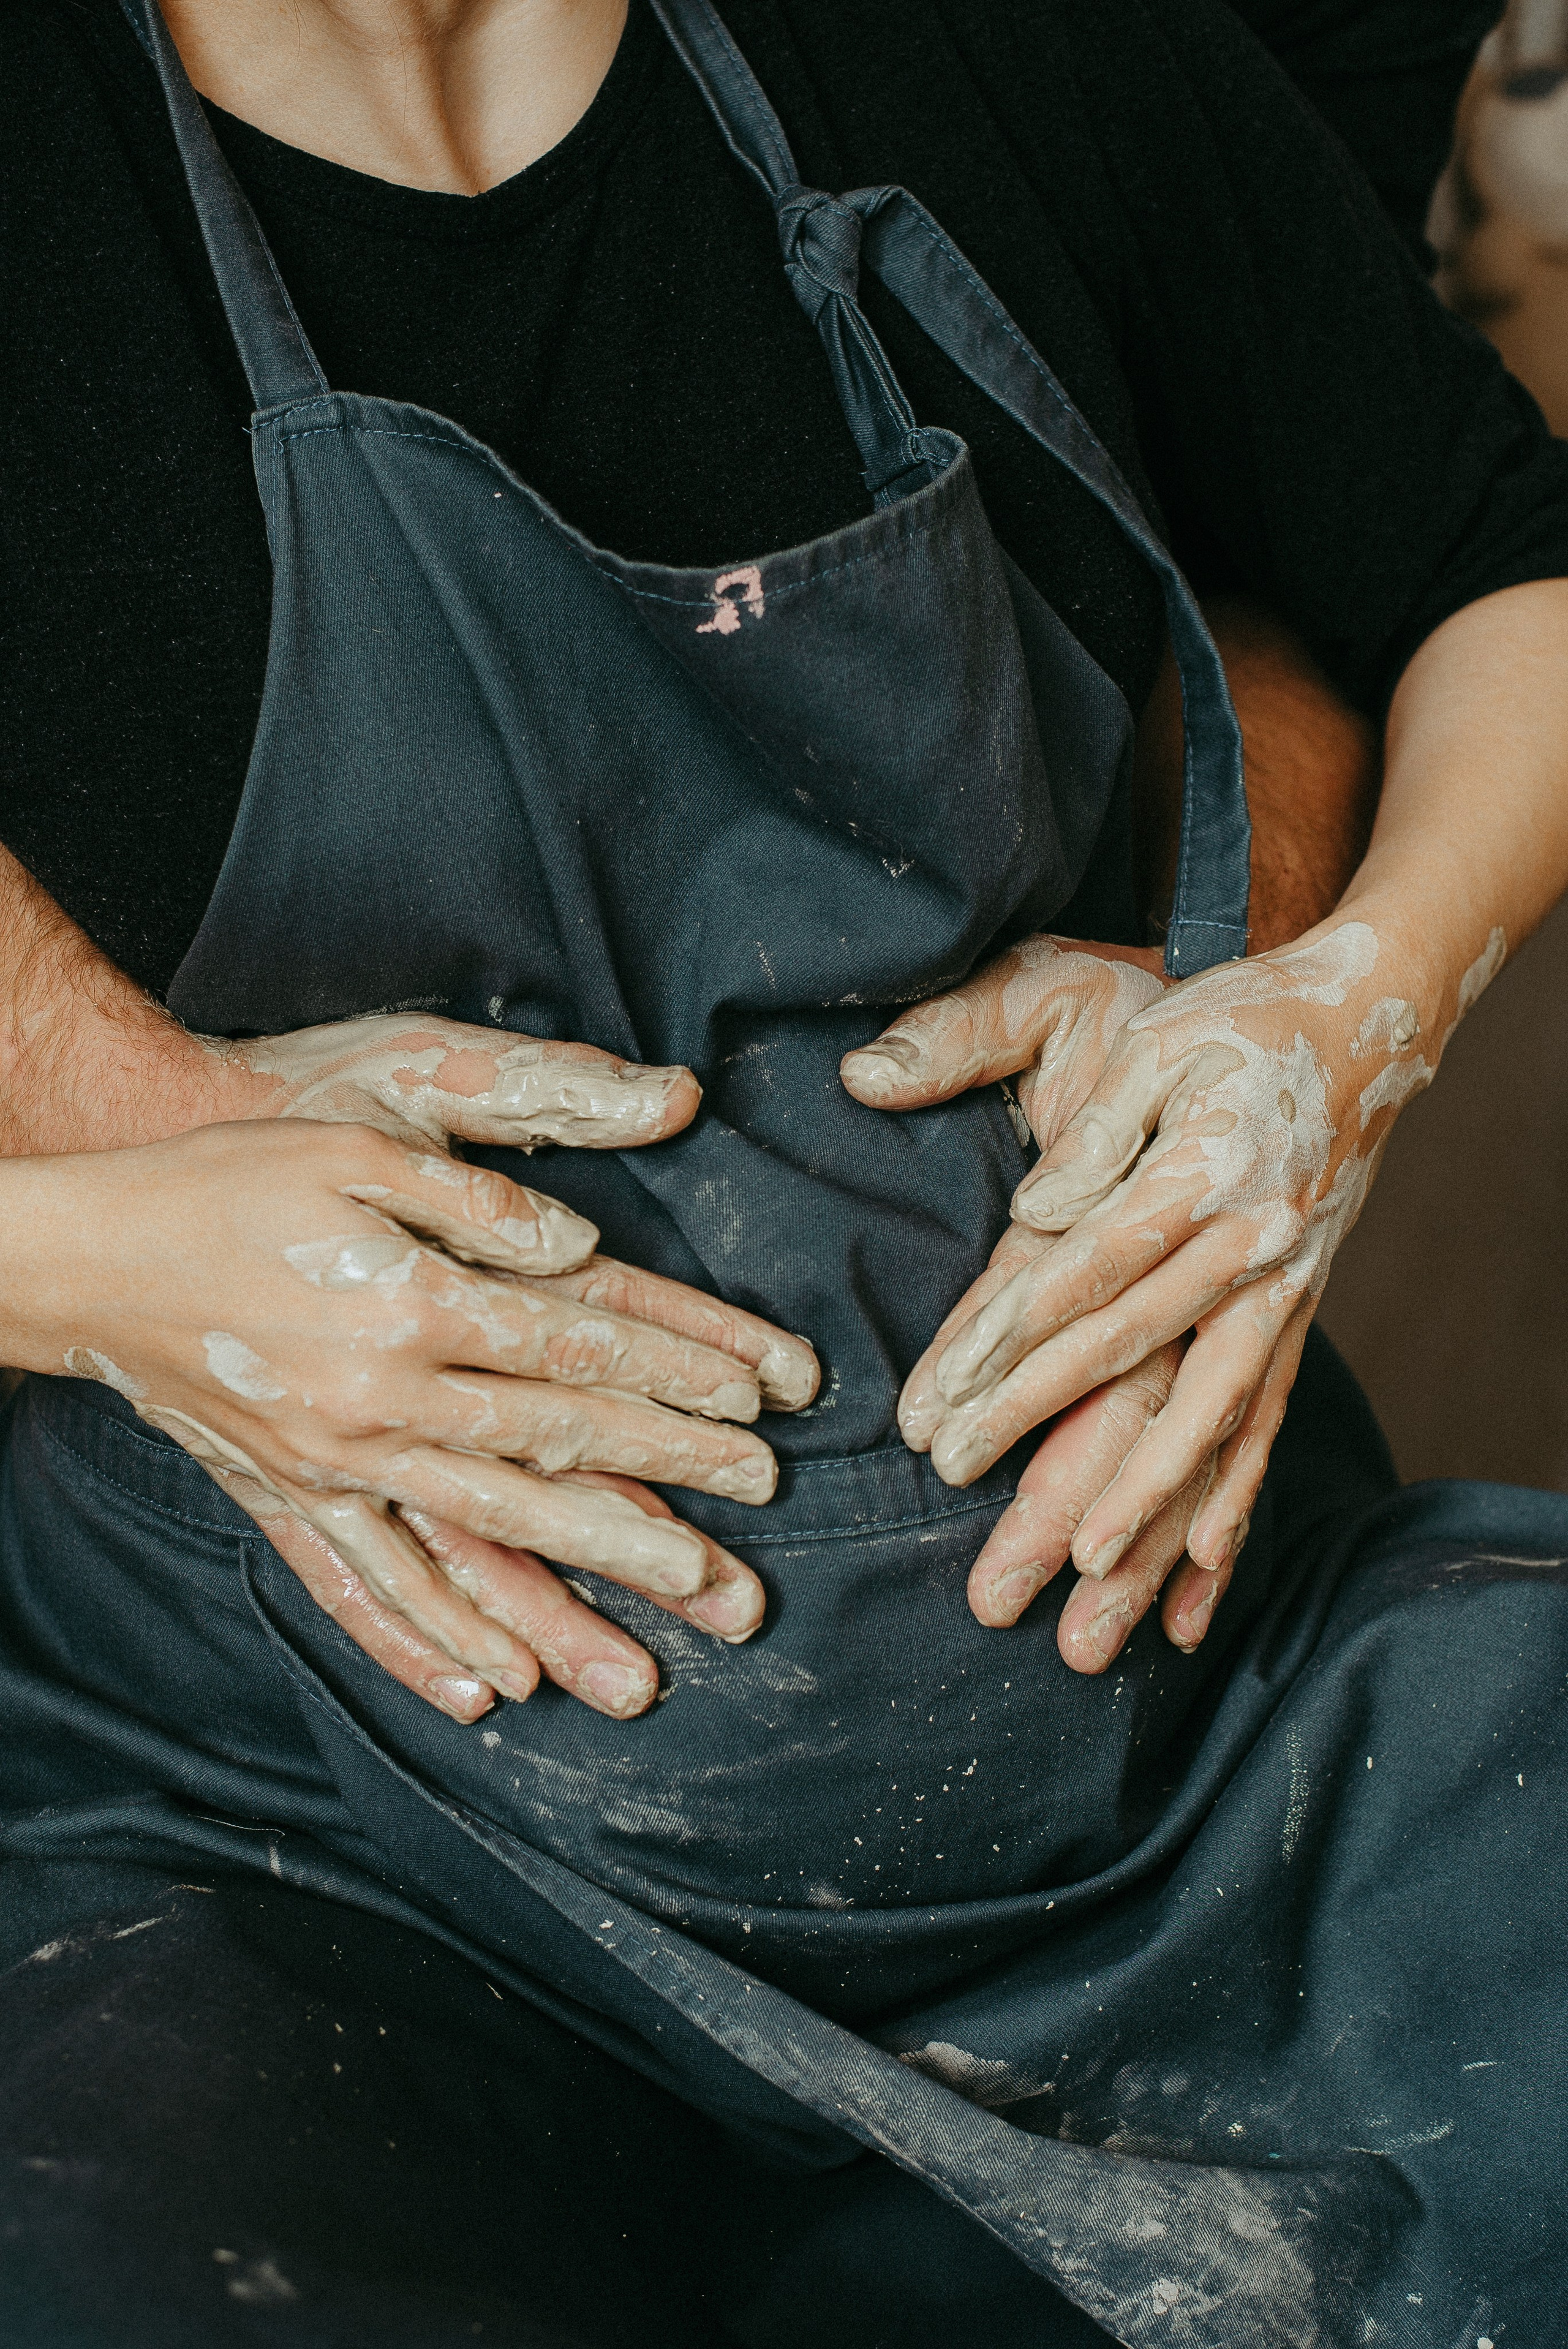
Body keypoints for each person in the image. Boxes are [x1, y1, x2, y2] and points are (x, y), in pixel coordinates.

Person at [2, 0, 1566, 2340]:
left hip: (1200, 1776)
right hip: (298, 1845)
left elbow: (1495, 562)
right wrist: (80, 1257)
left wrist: (1333, 1010)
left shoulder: (992, 49)